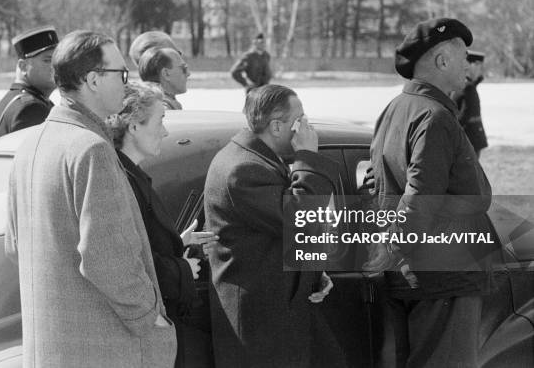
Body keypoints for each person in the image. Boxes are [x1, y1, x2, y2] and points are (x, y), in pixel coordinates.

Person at [5, 30, 176, 367]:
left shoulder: (31, 143)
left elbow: (14, 247)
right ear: (94, 80)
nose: (125, 84)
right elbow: (106, 258)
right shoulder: (91, 149)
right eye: (120, 73)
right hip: (106, 350)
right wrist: (150, 316)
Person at [369, 18, 499, 368]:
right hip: (444, 273)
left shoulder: (394, 110)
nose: (469, 67)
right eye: (463, 58)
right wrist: (396, 247)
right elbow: (420, 195)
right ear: (442, 61)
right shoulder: (435, 115)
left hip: (415, 274)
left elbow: (374, 181)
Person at [204, 84, 338, 368]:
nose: (306, 126)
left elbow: (275, 233)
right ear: (277, 127)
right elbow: (301, 219)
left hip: (281, 311)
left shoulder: (256, 158)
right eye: (299, 118)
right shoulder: (243, 169)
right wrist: (307, 158)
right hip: (262, 324)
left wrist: (313, 274)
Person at [105, 82, 218, 368]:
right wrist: (183, 269)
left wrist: (179, 243)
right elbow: (122, 260)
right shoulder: (121, 179)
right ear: (132, 127)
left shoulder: (131, 172)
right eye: (160, 121)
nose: (165, 132)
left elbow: (140, 242)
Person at [0, 26, 59, 140]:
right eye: (47, 60)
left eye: (57, 60)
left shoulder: (16, 100)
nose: (54, 67)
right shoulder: (30, 108)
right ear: (23, 66)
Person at [453, 50, 488, 158]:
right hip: (470, 138)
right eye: (478, 66)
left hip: (468, 138)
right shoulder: (468, 87)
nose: (480, 70)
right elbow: (465, 114)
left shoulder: (463, 84)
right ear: (470, 65)